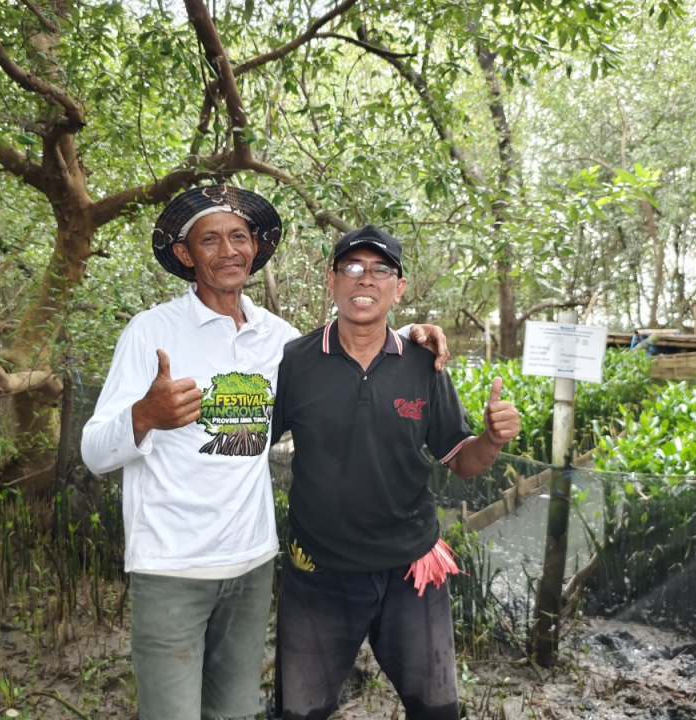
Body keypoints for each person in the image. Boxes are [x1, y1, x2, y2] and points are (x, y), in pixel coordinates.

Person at [79, 186, 449, 720]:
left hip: (252, 565)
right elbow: (93, 451)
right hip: (171, 567)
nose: (228, 250)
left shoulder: (278, 340)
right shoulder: (151, 332)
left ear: (254, 249)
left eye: (239, 237)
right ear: (187, 255)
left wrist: (411, 336)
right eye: (210, 239)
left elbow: (347, 350)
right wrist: (143, 416)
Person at [270, 225, 521, 720]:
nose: (366, 280)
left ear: (399, 288)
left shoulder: (424, 364)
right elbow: (251, 445)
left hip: (411, 572)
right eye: (353, 268)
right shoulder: (295, 361)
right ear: (332, 280)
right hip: (319, 572)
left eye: (381, 269)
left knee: (437, 712)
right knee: (298, 713)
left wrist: (491, 438)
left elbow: (462, 461)